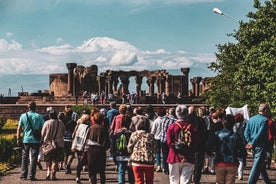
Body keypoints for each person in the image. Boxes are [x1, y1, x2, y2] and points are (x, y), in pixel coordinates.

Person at [206, 114, 245, 184]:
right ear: (233, 124)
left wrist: (211, 154)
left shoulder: (216, 134)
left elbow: (208, 147)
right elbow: (243, 151)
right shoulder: (236, 136)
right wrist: (237, 155)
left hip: (219, 162)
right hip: (232, 163)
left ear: (223, 123)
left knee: (219, 181)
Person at [166, 105, 198, 184]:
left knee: (174, 180)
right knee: (185, 181)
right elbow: (196, 143)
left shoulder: (172, 127)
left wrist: (178, 153)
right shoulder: (192, 127)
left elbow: (169, 142)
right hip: (188, 156)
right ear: (187, 114)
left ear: (176, 114)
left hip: (174, 156)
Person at [244, 103, 272, 184]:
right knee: (256, 167)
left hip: (253, 146)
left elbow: (246, 133)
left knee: (261, 166)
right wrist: (252, 143)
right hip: (260, 146)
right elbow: (260, 134)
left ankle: (268, 182)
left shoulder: (251, 119)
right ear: (265, 110)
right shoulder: (264, 120)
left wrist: (249, 142)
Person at [16, 101, 45, 181]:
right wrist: (42, 139)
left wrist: (18, 138)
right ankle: (31, 176)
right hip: (36, 140)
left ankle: (23, 175)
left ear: (28, 107)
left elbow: (19, 128)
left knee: (24, 157)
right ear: (35, 107)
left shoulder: (23, 116)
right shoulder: (39, 116)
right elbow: (43, 129)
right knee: (34, 158)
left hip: (26, 139)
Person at [127, 116, 156, 184]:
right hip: (149, 161)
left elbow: (129, 148)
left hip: (136, 161)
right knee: (149, 181)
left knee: (138, 181)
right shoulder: (151, 136)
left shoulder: (134, 134)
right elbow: (155, 148)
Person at [86, 111, 110, 184]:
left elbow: (87, 139)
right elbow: (107, 143)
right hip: (101, 150)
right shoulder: (104, 129)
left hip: (91, 151)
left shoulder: (91, 128)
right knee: (102, 171)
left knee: (92, 171)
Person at [41, 109, 65, 181]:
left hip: (47, 144)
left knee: (48, 159)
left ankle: (48, 172)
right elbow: (63, 132)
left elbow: (42, 133)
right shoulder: (60, 123)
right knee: (55, 160)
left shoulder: (46, 123)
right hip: (58, 144)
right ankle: (53, 174)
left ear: (49, 115)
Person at [112, 115, 134, 184]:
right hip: (129, 156)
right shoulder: (131, 133)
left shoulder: (117, 133)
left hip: (119, 155)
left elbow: (113, 145)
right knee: (131, 172)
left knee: (121, 172)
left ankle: (121, 182)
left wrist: (113, 155)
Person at [188, 106, 207, 184]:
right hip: (199, 144)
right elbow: (205, 133)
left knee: (188, 162)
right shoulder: (201, 120)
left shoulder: (186, 119)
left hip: (188, 145)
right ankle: (196, 179)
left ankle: (188, 179)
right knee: (198, 163)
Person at [71, 114, 91, 183]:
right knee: (89, 162)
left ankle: (78, 177)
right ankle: (90, 177)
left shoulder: (79, 126)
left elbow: (76, 136)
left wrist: (74, 146)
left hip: (78, 146)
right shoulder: (89, 127)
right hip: (85, 147)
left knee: (80, 162)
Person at [160, 107, 176, 175]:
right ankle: (170, 168)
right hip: (171, 140)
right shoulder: (175, 121)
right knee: (171, 154)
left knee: (164, 154)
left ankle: (165, 168)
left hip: (163, 139)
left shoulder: (163, 119)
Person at [63, 105, 78, 174]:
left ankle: (65, 165)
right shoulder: (74, 122)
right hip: (71, 139)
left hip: (64, 139)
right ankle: (68, 165)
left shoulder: (62, 121)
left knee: (66, 153)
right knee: (71, 153)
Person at [151, 107, 166, 172]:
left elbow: (153, 131)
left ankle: (158, 165)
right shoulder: (166, 120)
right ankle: (164, 166)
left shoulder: (156, 121)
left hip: (157, 138)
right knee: (164, 152)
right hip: (164, 138)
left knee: (157, 152)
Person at [233, 113, 247, 180]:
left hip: (234, 142)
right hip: (242, 143)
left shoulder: (233, 125)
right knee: (241, 159)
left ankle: (235, 172)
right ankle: (240, 174)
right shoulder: (245, 125)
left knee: (234, 158)